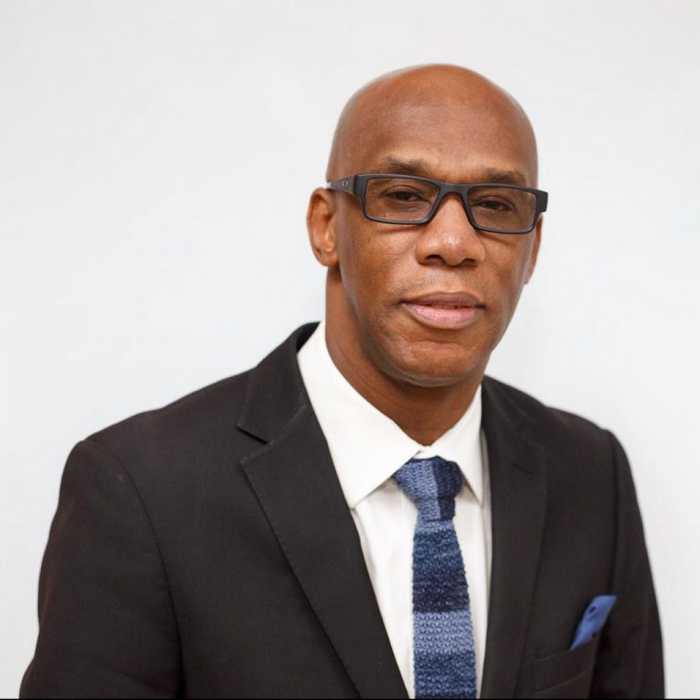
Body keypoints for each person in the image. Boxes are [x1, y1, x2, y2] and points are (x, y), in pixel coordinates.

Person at [20, 63, 664, 699]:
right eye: (404, 196)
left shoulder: (590, 473)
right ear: (326, 226)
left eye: (496, 205)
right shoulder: (141, 491)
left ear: (533, 248)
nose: (452, 242)